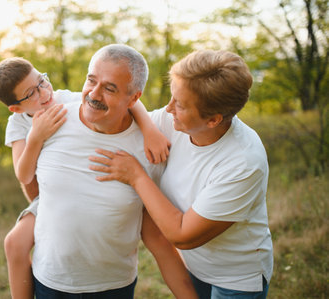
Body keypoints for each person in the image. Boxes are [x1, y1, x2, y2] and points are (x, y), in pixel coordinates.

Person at [0, 56, 192, 298]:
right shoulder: (19, 123)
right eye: (31, 93)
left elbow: (126, 101)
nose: (43, 92)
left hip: (109, 276)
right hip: (46, 200)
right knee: (14, 244)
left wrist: (149, 130)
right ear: (16, 107)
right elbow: (23, 174)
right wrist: (36, 137)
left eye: (42, 81)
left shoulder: (65, 100)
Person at [89, 49, 274, 298]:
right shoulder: (174, 122)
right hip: (194, 267)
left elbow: (182, 236)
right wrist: (148, 126)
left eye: (180, 104)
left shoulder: (242, 162)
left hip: (235, 279)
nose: (168, 108)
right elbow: (128, 104)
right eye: (172, 96)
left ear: (213, 120)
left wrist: (136, 176)